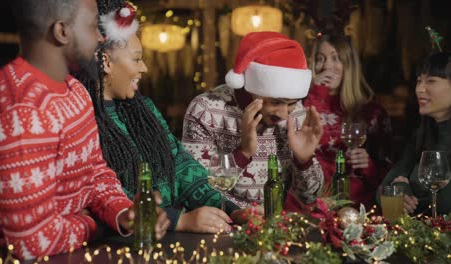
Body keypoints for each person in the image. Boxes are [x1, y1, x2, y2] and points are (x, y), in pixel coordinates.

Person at [0, 0, 169, 259]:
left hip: (69, 252)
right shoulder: (20, 108)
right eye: (92, 25)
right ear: (61, 31)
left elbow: (95, 173)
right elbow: (32, 243)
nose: (101, 36)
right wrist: (97, 225)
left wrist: (125, 214)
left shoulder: (76, 92)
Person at [79, 1, 247, 234]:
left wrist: (231, 210)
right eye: (137, 59)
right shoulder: (80, 118)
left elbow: (180, 166)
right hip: (127, 244)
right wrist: (180, 220)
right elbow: (103, 196)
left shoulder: (143, 109)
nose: (144, 68)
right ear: (106, 62)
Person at [182, 31, 324, 212]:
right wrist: (243, 152)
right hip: (222, 225)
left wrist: (304, 160)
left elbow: (310, 197)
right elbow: (193, 189)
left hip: (276, 227)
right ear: (253, 87)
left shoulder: (297, 115)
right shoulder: (206, 110)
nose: (283, 114)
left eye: (291, 103)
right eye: (275, 102)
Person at [304, 34, 392, 210]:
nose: (327, 66)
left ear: (349, 65)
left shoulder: (372, 113)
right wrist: (314, 91)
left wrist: (368, 165)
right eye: (321, 60)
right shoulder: (304, 105)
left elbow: (391, 174)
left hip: (359, 207)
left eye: (336, 59)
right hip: (312, 202)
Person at [379, 52, 451, 216]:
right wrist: (400, 188)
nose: (420, 89)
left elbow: (444, 205)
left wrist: (406, 194)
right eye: (419, 81)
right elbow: (383, 191)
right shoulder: (421, 135)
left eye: (431, 81)